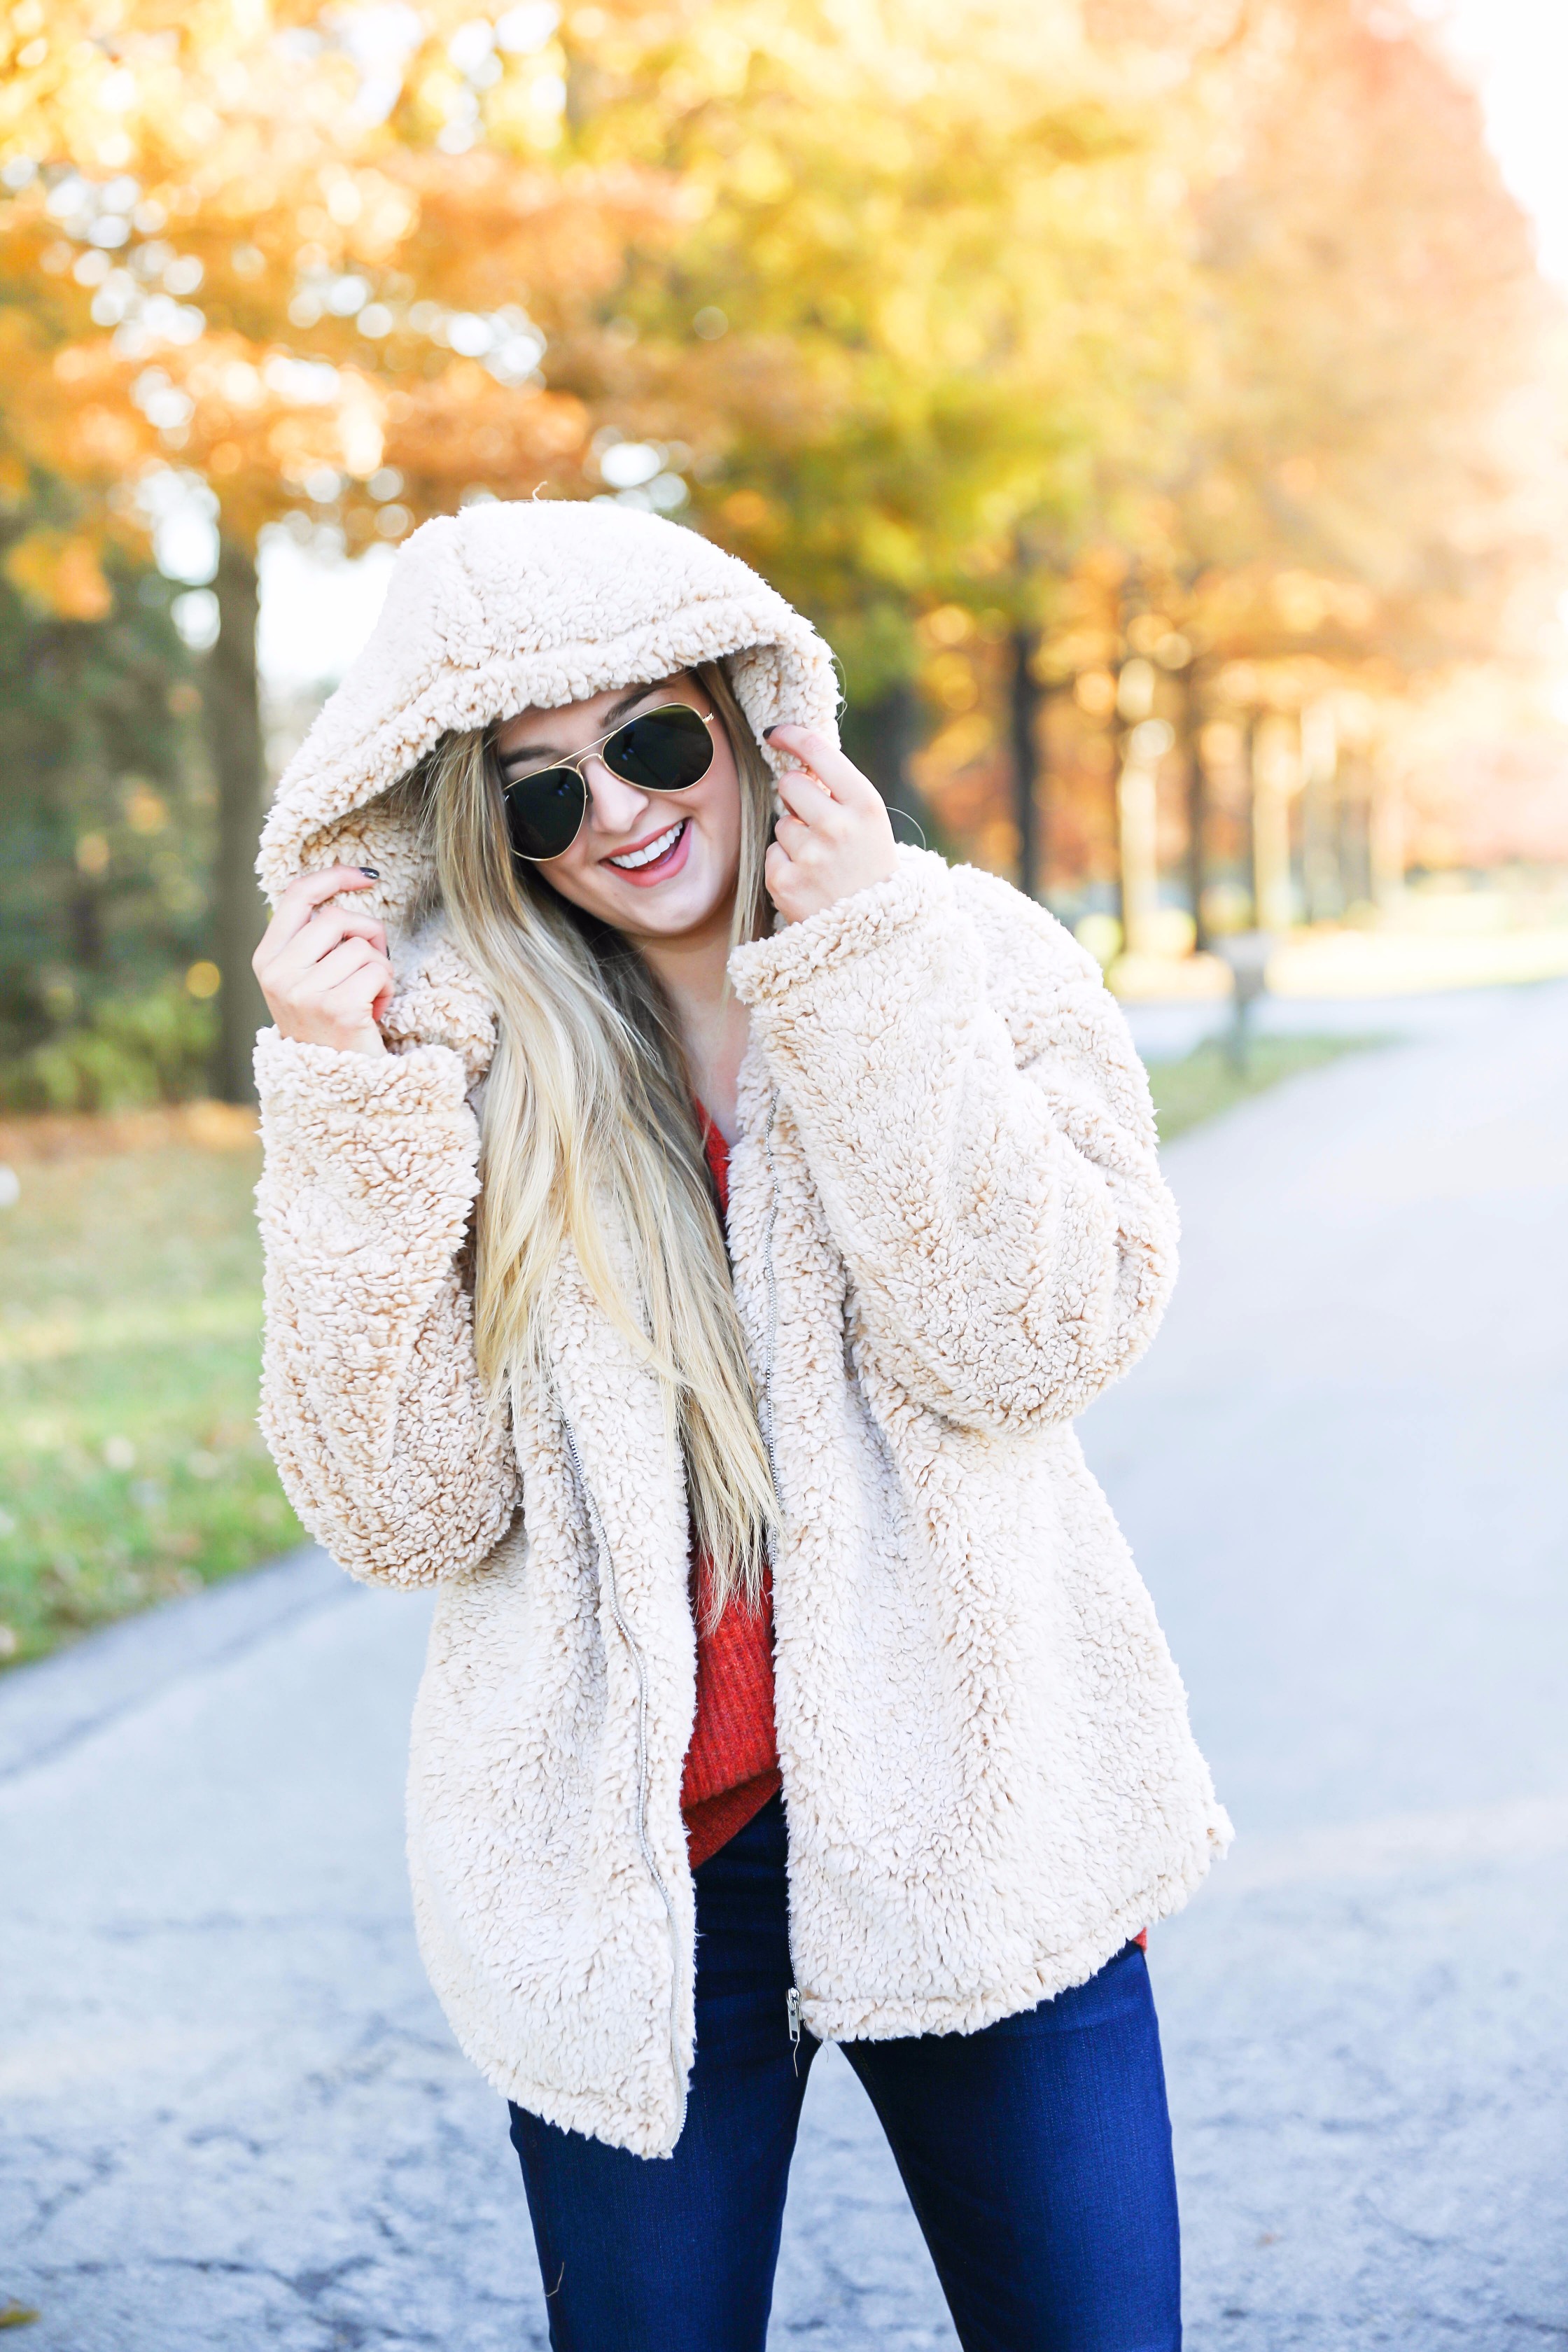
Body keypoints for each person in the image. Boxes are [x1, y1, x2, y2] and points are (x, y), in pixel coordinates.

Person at [251, 498, 1229, 2352]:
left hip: (988, 1807)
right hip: (634, 1888)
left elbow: (1033, 1341)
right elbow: (405, 1518)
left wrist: (863, 977)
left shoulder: (967, 953)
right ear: (480, 829)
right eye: (537, 791)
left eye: (649, 739)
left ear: (742, 710)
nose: (614, 812)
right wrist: (338, 1107)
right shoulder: (449, 1065)